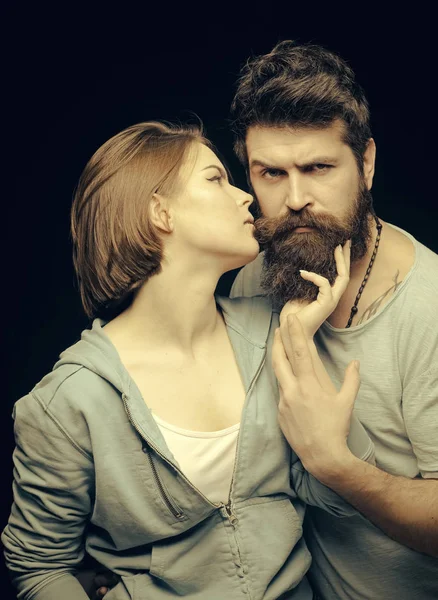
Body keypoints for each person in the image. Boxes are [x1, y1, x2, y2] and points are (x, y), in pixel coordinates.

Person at [2, 120, 374, 600]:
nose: (246, 197)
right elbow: (39, 568)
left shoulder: (274, 334)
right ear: (161, 212)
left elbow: (341, 495)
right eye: (216, 179)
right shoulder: (68, 402)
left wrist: (300, 345)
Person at [228, 40, 438, 599]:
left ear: (366, 163)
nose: (295, 199)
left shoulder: (430, 309)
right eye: (270, 173)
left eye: (319, 167)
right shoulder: (257, 276)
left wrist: (334, 463)